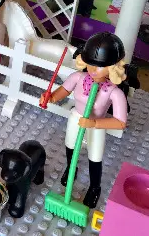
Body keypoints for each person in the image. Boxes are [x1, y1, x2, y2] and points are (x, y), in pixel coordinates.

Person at [39, 32, 130, 208]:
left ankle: (95, 187)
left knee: (94, 157)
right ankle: (71, 168)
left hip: (97, 125)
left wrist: (94, 123)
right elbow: (63, 91)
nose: (93, 70)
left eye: (100, 66)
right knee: (70, 146)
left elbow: (120, 122)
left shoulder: (114, 92)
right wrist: (50, 97)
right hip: (76, 118)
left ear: (113, 68)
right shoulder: (78, 78)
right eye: (91, 63)